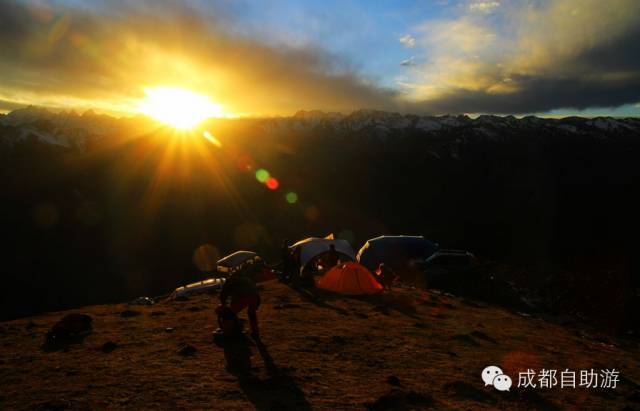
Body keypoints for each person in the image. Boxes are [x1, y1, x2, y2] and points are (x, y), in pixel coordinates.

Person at [218, 273, 261, 339]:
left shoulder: (228, 283)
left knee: (228, 314)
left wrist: (226, 307)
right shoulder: (245, 278)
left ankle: (227, 334)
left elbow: (227, 297)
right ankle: (255, 332)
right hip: (256, 297)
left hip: (245, 297)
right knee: (251, 313)